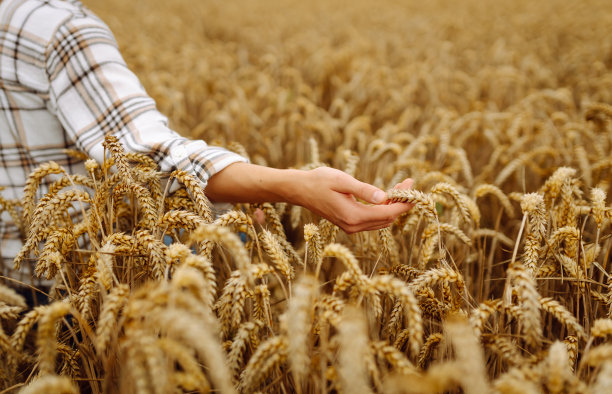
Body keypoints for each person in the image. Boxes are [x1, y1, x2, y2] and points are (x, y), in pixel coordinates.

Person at [0, 0, 413, 283]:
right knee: (236, 235)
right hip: (71, 278)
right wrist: (297, 186)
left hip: (13, 271)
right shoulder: (58, 28)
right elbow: (144, 152)